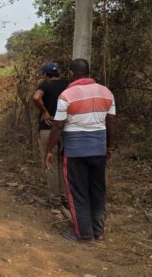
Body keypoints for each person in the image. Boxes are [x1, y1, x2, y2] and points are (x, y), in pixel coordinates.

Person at [45, 58, 116, 243]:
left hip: (75, 152)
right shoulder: (106, 92)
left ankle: (84, 234)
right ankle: (98, 231)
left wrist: (49, 150)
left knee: (78, 192)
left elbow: (58, 126)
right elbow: (111, 122)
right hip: (98, 150)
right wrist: (109, 146)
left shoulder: (66, 95)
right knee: (97, 191)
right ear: (89, 72)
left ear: (71, 73)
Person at [33, 62, 69, 208]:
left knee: (50, 163)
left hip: (48, 129)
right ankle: (64, 197)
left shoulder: (45, 85)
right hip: (64, 129)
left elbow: (36, 97)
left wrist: (45, 111)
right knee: (62, 164)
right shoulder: (67, 84)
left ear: (45, 74)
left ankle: (54, 199)